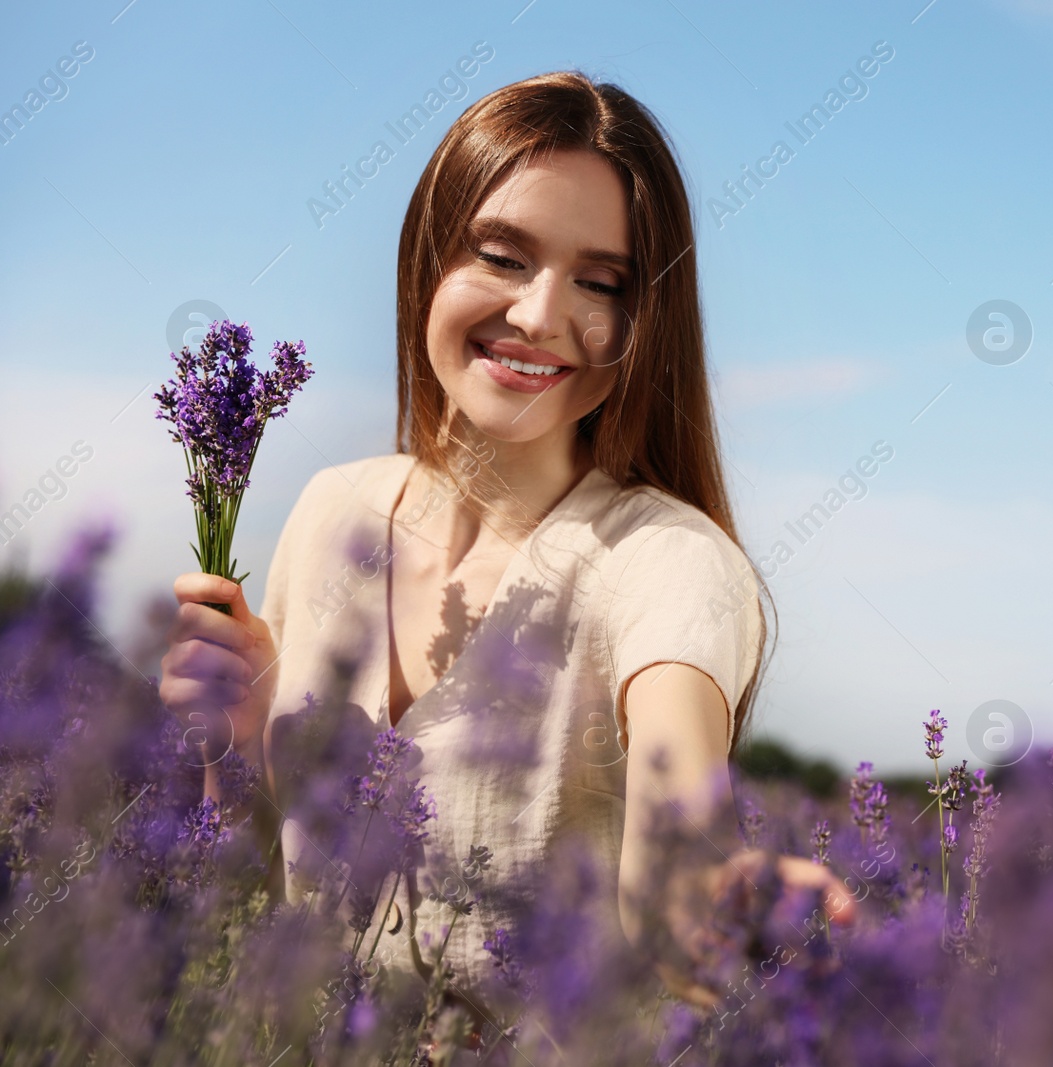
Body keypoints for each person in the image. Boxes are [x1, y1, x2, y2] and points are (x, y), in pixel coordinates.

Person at [157, 70, 852, 1021]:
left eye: (600, 282)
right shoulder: (330, 512)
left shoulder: (668, 563)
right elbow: (253, 892)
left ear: (641, 322)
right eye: (502, 255)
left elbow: (678, 836)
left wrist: (712, 898)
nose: (539, 314)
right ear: (426, 261)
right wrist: (232, 744)